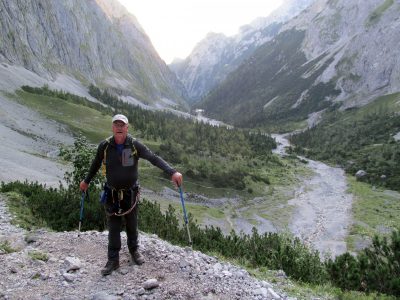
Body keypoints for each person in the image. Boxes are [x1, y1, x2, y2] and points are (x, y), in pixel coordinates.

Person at [80, 114, 183, 276]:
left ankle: (134, 251)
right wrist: (86, 181)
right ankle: (113, 260)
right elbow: (95, 164)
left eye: (122, 125)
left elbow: (153, 158)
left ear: (127, 128)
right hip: (112, 193)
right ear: (113, 127)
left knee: (132, 223)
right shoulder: (105, 146)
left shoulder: (134, 145)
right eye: (116, 125)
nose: (119, 128)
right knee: (113, 227)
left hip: (131, 193)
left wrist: (172, 172)